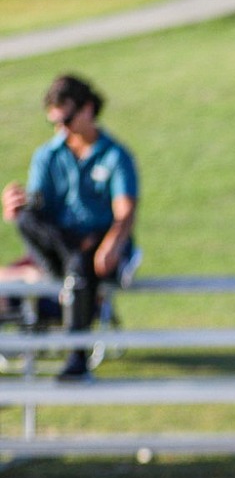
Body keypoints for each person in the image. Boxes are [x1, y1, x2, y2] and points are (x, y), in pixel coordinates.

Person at [1, 74, 138, 380]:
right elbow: (39, 211)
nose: (60, 129)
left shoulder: (115, 155)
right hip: (62, 248)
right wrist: (16, 205)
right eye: (55, 123)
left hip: (100, 247)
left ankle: (77, 357)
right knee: (31, 221)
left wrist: (113, 243)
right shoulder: (48, 156)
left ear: (88, 109)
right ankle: (73, 263)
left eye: (67, 119)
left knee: (83, 265)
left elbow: (124, 210)